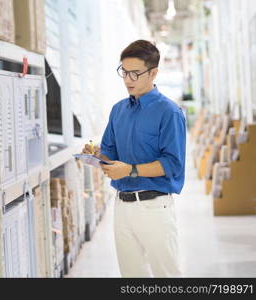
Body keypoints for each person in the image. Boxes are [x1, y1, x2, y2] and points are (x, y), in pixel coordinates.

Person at [82, 40, 186, 277]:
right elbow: (110, 153)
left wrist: (130, 170)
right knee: (131, 276)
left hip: (154, 207)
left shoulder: (168, 112)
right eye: (124, 72)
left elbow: (172, 164)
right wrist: (96, 155)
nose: (128, 79)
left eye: (135, 73)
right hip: (122, 207)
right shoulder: (118, 110)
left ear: (153, 73)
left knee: (166, 275)